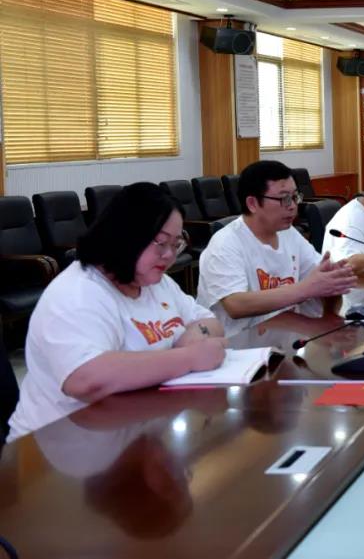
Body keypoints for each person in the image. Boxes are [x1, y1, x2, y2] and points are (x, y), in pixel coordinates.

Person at [8, 183, 227, 441]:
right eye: (161, 242)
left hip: (135, 429)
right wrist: (188, 357)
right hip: (58, 444)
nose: (169, 255)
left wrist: (191, 338)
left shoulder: (155, 281)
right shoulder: (78, 292)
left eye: (176, 243)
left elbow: (210, 322)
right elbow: (85, 379)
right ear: (126, 235)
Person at [196, 160, 357, 338]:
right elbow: (236, 304)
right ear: (252, 203)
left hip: (285, 338)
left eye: (295, 197)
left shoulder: (289, 234)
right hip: (237, 345)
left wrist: (332, 282)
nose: (293, 206)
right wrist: (306, 289)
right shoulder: (225, 244)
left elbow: (320, 284)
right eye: (284, 199)